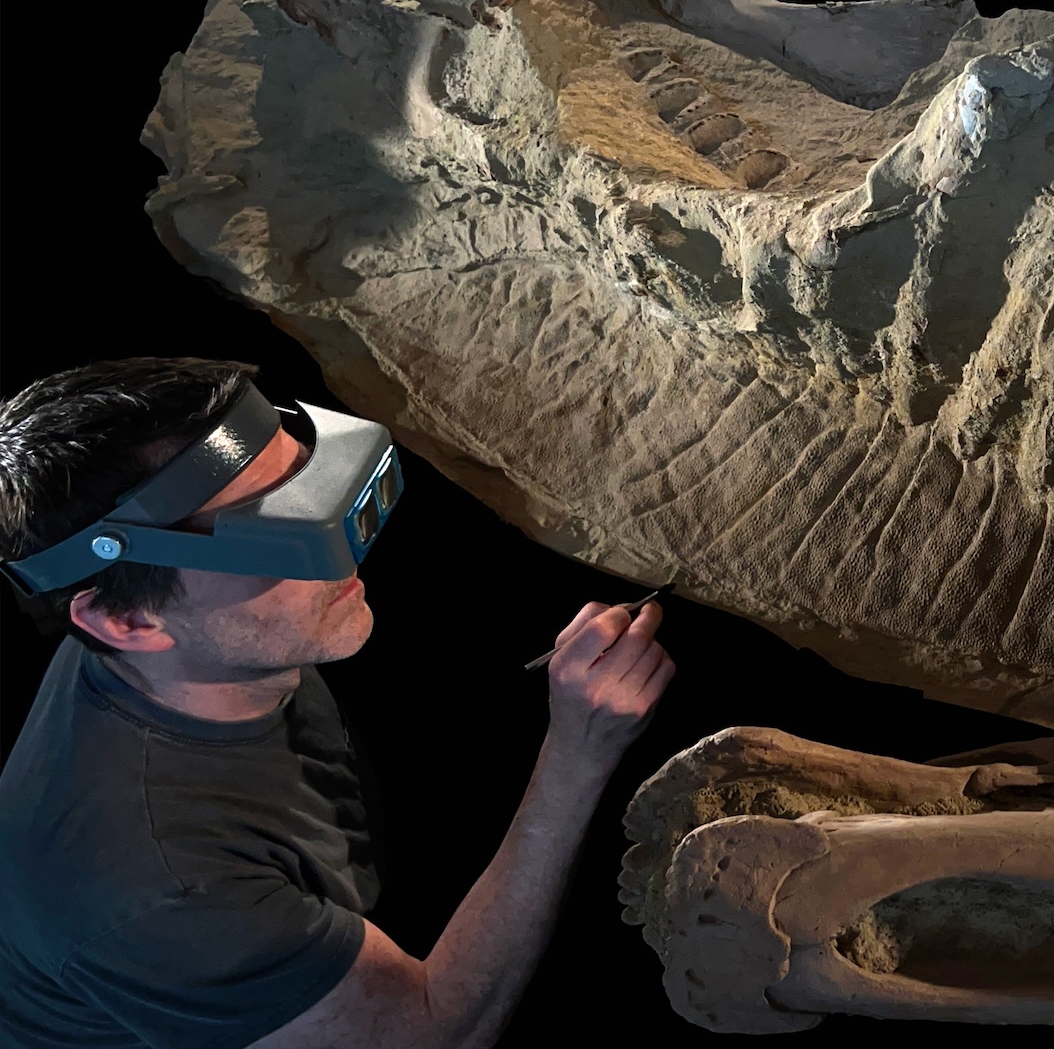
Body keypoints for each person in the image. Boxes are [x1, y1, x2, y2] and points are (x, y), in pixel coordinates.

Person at [0, 358, 675, 1048]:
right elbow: (433, 1032)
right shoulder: (157, 888)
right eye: (275, 535)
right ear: (130, 624)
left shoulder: (189, 640)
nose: (342, 550)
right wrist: (577, 755)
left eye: (315, 487)